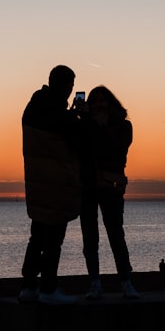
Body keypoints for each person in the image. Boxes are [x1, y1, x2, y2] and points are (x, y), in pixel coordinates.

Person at [18, 65, 84, 305]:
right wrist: (80, 116)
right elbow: (78, 140)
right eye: (71, 85)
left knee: (37, 237)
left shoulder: (33, 107)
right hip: (57, 185)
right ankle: (48, 288)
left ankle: (28, 286)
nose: (71, 90)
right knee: (54, 240)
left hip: (37, 185)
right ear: (64, 85)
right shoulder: (59, 113)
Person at [79, 85, 138, 300]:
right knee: (89, 239)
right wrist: (82, 119)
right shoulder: (84, 125)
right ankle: (95, 283)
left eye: (102, 100)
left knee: (116, 236)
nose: (98, 105)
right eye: (94, 101)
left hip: (111, 187)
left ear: (111, 103)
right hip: (86, 187)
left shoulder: (124, 126)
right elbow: (78, 147)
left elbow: (115, 149)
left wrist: (99, 128)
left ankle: (126, 282)